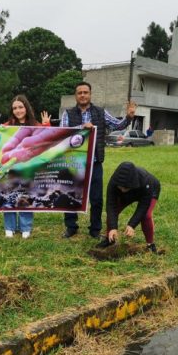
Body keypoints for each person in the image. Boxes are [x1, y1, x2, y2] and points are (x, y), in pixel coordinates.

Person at [60, 81, 137, 239]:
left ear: (90, 94)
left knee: (96, 198)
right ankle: (71, 227)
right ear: (76, 96)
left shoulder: (101, 112)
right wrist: (82, 127)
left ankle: (95, 230)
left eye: (85, 92)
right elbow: (63, 134)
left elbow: (117, 125)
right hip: (74, 162)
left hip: (95, 163)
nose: (82, 95)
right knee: (70, 196)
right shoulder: (67, 114)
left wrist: (128, 117)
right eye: (79, 92)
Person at [1, 95, 51, 239]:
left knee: (27, 194)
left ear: (26, 108)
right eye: (15, 108)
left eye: (20, 107)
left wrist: (46, 125)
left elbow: (47, 140)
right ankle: (9, 227)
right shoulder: (7, 126)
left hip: (29, 167)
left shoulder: (36, 125)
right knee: (9, 195)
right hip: (11, 167)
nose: (18, 110)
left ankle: (25, 227)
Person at [98, 162, 161, 253]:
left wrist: (132, 225)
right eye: (121, 187)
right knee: (113, 212)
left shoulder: (146, 180)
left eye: (125, 188)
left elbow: (143, 206)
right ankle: (110, 238)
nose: (123, 190)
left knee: (146, 216)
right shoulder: (113, 182)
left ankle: (150, 244)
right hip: (130, 192)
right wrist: (113, 227)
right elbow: (111, 205)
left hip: (150, 190)